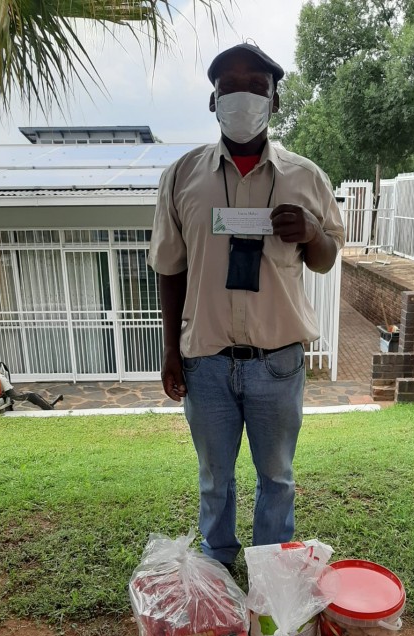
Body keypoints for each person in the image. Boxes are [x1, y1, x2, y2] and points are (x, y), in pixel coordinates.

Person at [148, 43, 344, 571]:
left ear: (274, 101)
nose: (243, 96)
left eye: (257, 86)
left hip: (277, 364)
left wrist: (313, 232)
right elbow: (170, 267)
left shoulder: (306, 177)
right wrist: (171, 351)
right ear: (213, 100)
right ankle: (217, 568)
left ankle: (271, 574)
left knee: (277, 477)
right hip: (206, 363)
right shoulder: (181, 177)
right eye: (229, 86)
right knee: (215, 478)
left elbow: (326, 259)